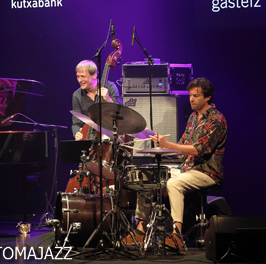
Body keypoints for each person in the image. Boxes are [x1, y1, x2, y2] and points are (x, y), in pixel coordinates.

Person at [123, 78, 227, 251]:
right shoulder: (193, 117)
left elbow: (198, 150)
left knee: (173, 183)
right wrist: (160, 148)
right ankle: (141, 230)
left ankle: (176, 235)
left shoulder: (216, 120)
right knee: (148, 177)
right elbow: (181, 148)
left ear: (208, 97)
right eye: (190, 95)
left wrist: (168, 145)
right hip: (187, 168)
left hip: (207, 172)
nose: (191, 99)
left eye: (196, 96)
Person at [72, 60, 123, 140]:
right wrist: (77, 132)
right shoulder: (77, 95)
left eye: (83, 76)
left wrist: (108, 99)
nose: (79, 80)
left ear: (94, 75)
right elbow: (76, 123)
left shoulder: (109, 87)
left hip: (110, 136)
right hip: (89, 138)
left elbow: (121, 111)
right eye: (78, 76)